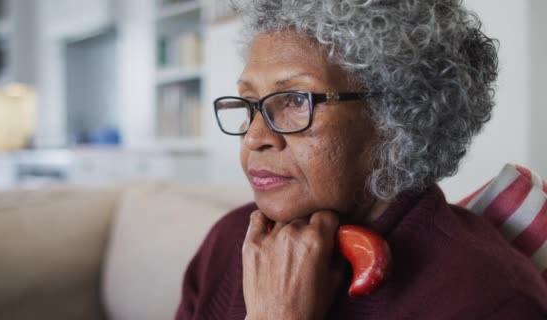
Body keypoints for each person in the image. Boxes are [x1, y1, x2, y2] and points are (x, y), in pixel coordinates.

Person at [175, 0, 547, 319]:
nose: (254, 137)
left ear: (397, 119)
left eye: (294, 101)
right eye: (249, 103)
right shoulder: (229, 241)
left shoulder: (488, 297)